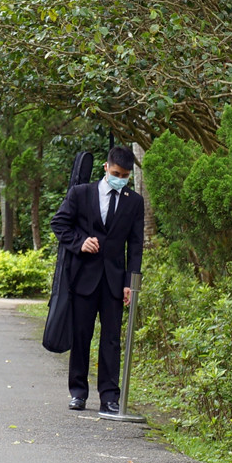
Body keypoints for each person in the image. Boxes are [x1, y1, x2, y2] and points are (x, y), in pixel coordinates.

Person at [50, 145, 143, 415]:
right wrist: (80, 243)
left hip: (115, 281)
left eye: (125, 175)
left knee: (112, 339)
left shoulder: (134, 202)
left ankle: (110, 397)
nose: (120, 178)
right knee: (81, 335)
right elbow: (59, 224)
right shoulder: (81, 193)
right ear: (106, 167)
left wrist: (131, 282)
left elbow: (136, 245)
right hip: (84, 278)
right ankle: (78, 393)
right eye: (116, 173)